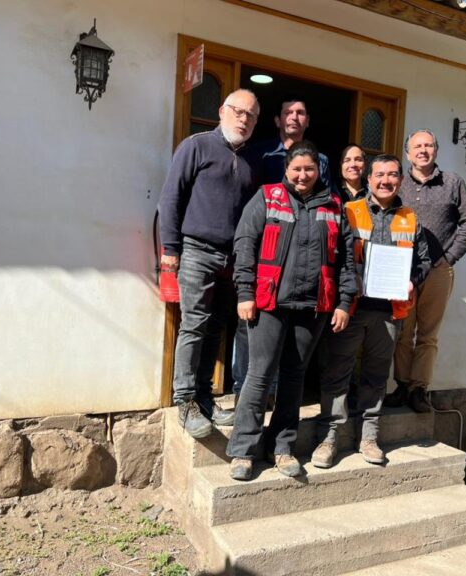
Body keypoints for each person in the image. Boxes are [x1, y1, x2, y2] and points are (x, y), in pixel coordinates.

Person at [227, 141, 356, 481]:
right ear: (286, 170)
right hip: (268, 303)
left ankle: (281, 447)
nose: (302, 175)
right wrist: (245, 293)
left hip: (312, 308)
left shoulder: (334, 206)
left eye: (309, 169)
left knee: (294, 378)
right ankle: (243, 450)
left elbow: (346, 262)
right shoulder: (267, 197)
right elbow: (245, 244)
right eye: (296, 169)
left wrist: (344, 302)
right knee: (259, 375)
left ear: (318, 171)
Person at [311, 155, 431, 468]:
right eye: (379, 174)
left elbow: (423, 260)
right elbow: (333, 255)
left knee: (377, 375)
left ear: (400, 180)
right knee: (338, 372)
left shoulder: (410, 218)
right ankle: (329, 436)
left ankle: (368, 436)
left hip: (389, 311)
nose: (385, 181)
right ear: (368, 178)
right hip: (351, 308)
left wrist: (412, 280)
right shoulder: (349, 211)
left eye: (392, 175)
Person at [158, 89, 260, 439]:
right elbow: (172, 195)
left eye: (250, 115)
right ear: (222, 111)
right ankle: (184, 401)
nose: (243, 119)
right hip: (196, 250)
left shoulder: (251, 161)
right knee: (194, 324)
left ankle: (204, 399)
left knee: (217, 327)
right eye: (238, 111)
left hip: (234, 258)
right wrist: (170, 248)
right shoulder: (196, 146)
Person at [232, 96, 332, 403]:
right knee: (249, 330)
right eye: (288, 111)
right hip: (260, 254)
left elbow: (325, 206)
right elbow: (244, 198)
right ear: (277, 120)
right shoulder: (259, 152)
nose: (294, 117)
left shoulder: (323, 162)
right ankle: (242, 392)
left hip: (299, 261)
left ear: (308, 120)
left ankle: (273, 399)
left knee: (287, 347)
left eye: (301, 112)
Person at [389, 129, 466, 413]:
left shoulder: (453, 182)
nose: (423, 150)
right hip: (403, 269)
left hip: (438, 270)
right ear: (408, 153)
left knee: (428, 334)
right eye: (417, 146)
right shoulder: (398, 184)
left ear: (436, 151)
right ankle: (402, 386)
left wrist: (449, 257)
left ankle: (419, 389)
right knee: (403, 331)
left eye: (428, 145)